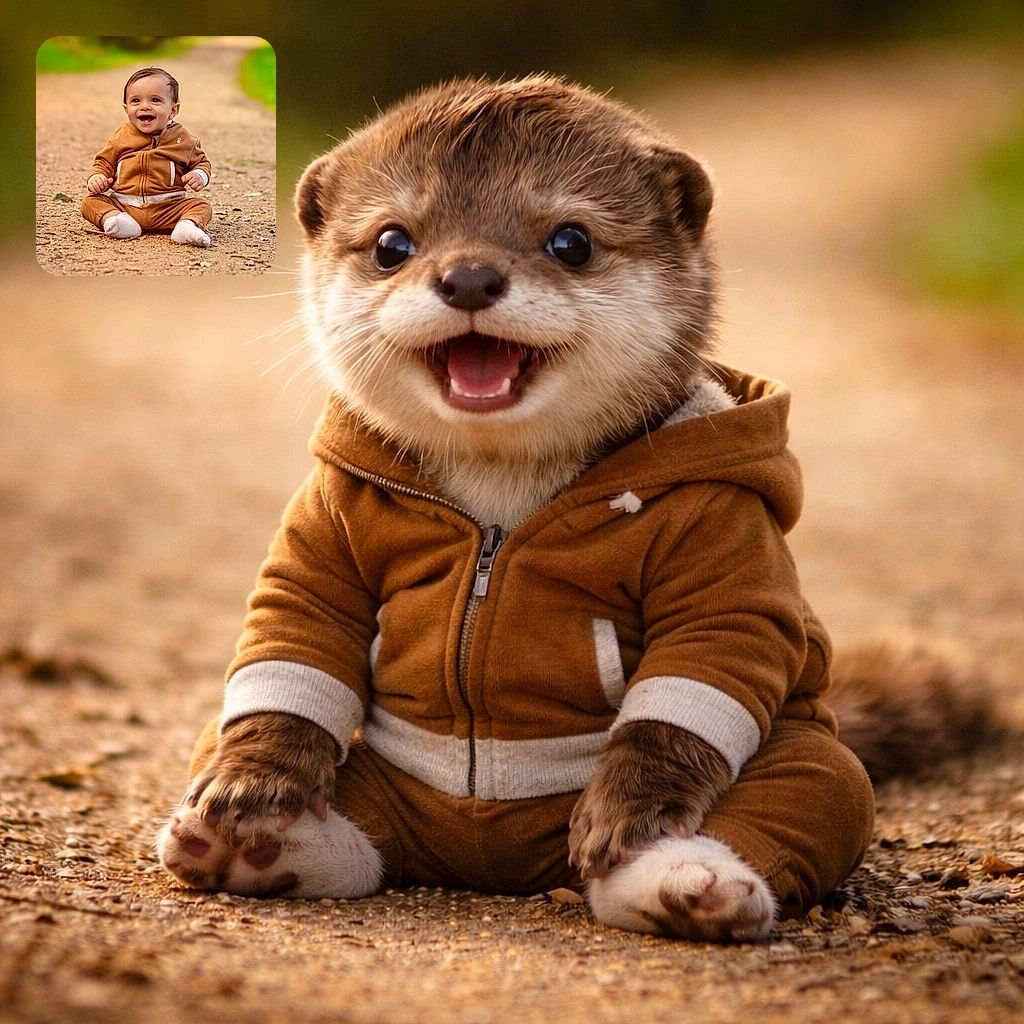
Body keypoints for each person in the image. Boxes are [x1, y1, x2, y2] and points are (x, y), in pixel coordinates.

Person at [80, 67, 213, 248]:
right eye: (136, 100)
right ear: (126, 109)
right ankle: (119, 222)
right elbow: (104, 162)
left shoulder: (184, 139)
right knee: (90, 202)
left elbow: (202, 162)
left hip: (169, 208)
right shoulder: (121, 135)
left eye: (155, 100)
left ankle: (185, 227)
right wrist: (97, 177)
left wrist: (199, 174)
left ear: (173, 110)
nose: (145, 106)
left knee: (202, 206)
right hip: (125, 206)